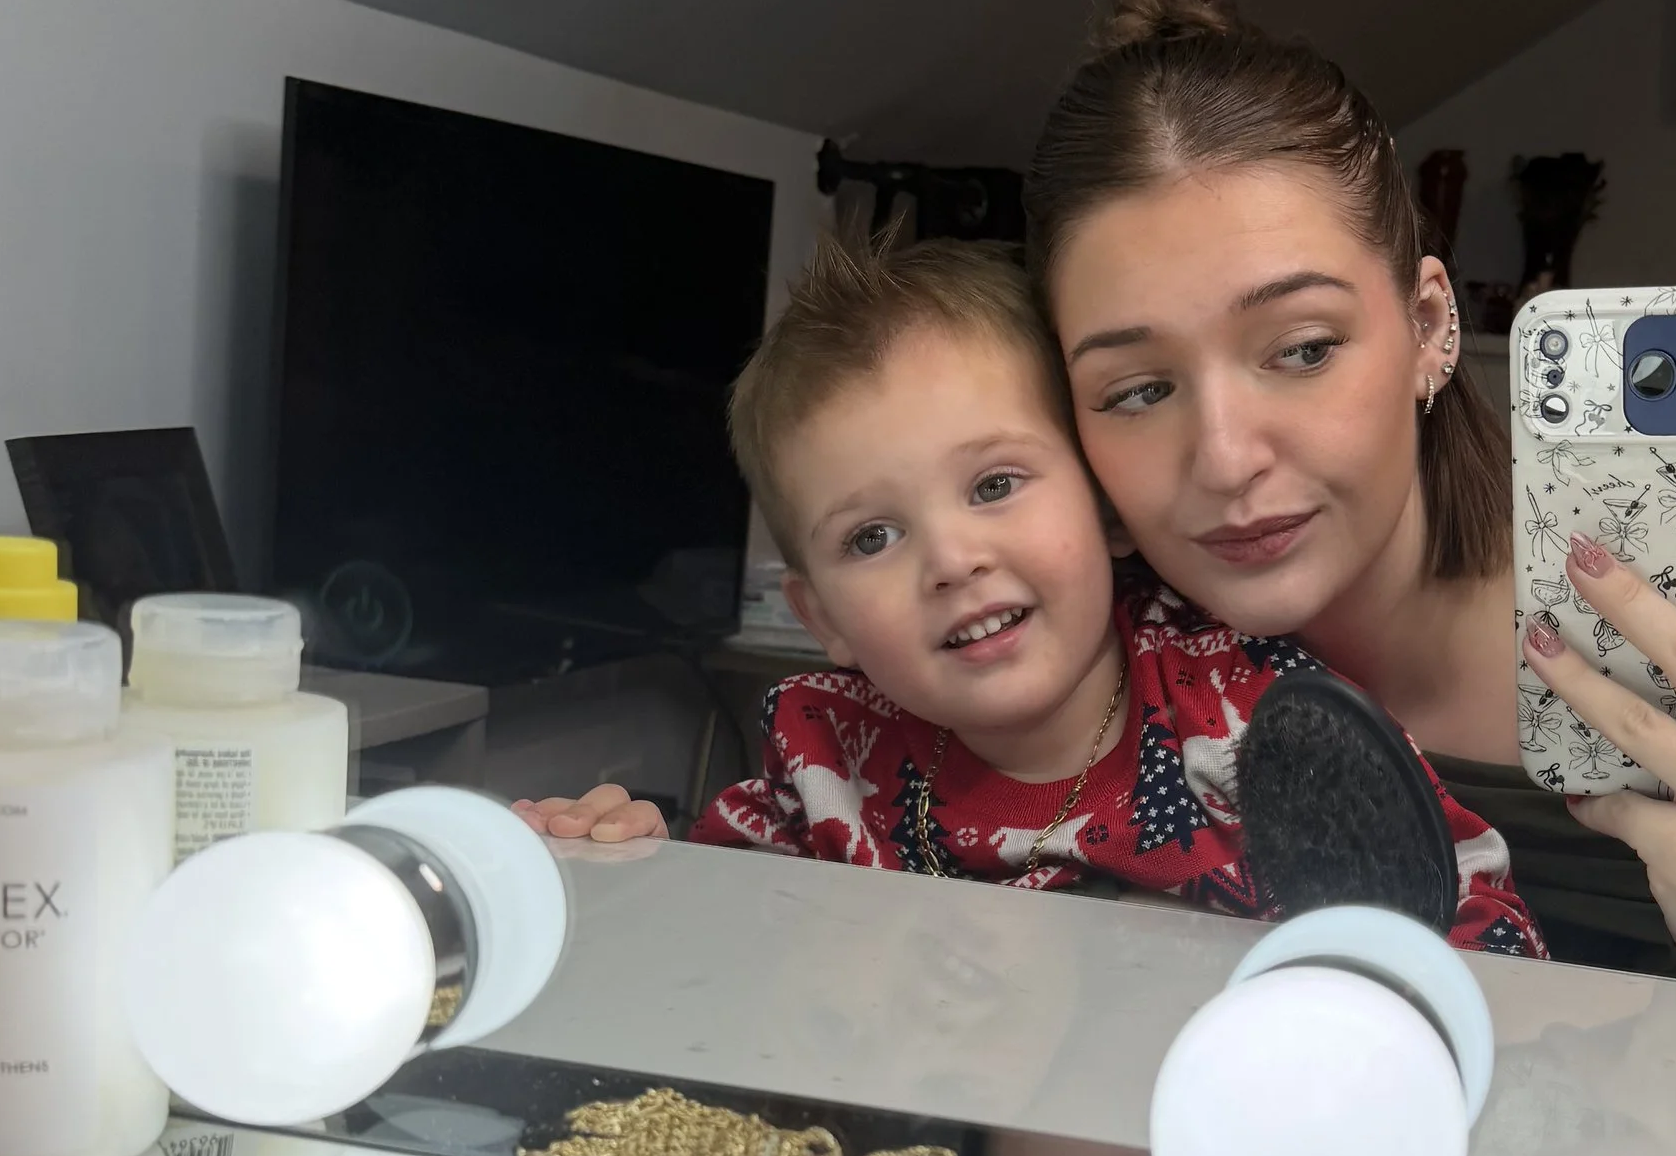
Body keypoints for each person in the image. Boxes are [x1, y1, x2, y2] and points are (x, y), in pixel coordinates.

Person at [1023, 0, 1676, 1001]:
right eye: (1135, 391)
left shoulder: (1660, 667)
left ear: (1429, 326)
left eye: (1301, 349)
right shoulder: (1066, 683)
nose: (1224, 458)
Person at [512, 227, 1542, 955]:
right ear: (820, 616)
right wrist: (619, 875)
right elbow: (704, 959)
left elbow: (1479, 931)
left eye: (994, 486)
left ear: (1104, 507)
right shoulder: (817, 759)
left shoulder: (1254, 709)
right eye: (872, 535)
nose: (952, 559)